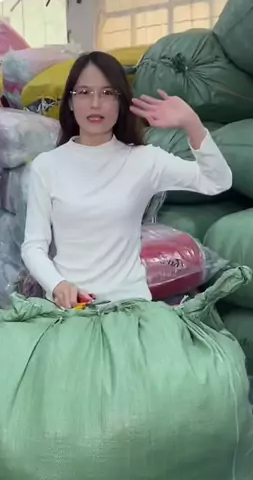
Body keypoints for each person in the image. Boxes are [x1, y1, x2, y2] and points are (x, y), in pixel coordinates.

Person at [21, 51, 232, 309]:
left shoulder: (144, 160)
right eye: (84, 92)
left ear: (120, 102)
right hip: (69, 311)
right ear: (71, 102)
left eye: (107, 93)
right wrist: (58, 285)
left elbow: (217, 181)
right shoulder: (47, 166)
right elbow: (33, 246)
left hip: (130, 309)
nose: (95, 103)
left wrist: (191, 123)